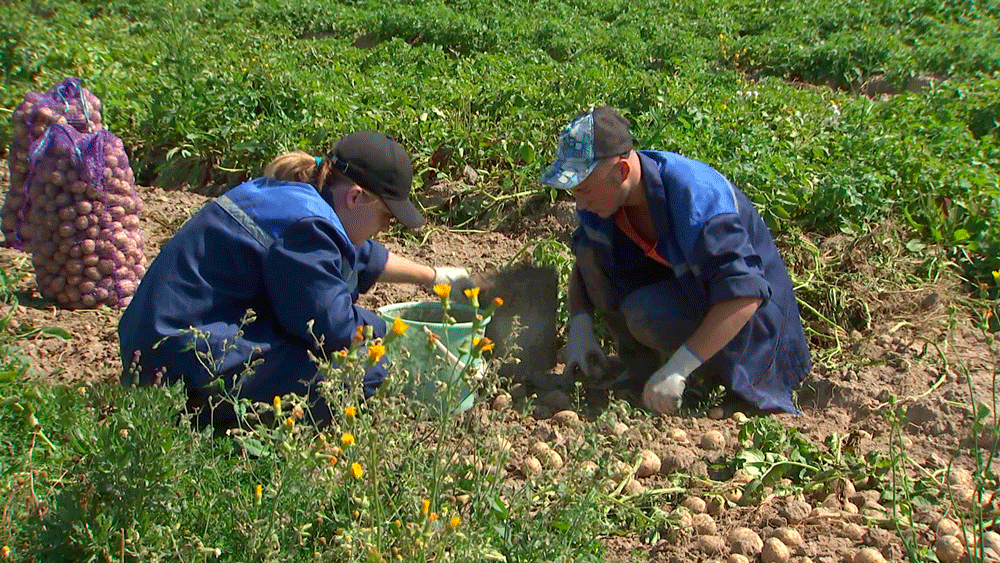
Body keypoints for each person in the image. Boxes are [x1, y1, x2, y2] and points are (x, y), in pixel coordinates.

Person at [118, 131, 472, 427]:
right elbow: (333, 331)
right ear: (355, 197)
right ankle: (201, 415)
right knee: (364, 371)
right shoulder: (309, 229)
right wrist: (395, 332)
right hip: (184, 368)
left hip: (159, 344)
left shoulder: (293, 196)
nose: (385, 228)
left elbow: (360, 255)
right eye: (386, 217)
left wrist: (433, 276)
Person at [540, 107, 810, 415]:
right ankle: (641, 371)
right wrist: (580, 323)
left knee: (647, 313)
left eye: (585, 189)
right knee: (593, 252)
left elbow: (746, 295)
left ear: (621, 172)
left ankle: (704, 380)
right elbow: (588, 256)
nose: (580, 202)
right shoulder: (605, 201)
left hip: (754, 328)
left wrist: (680, 367)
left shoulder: (697, 199)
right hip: (689, 292)